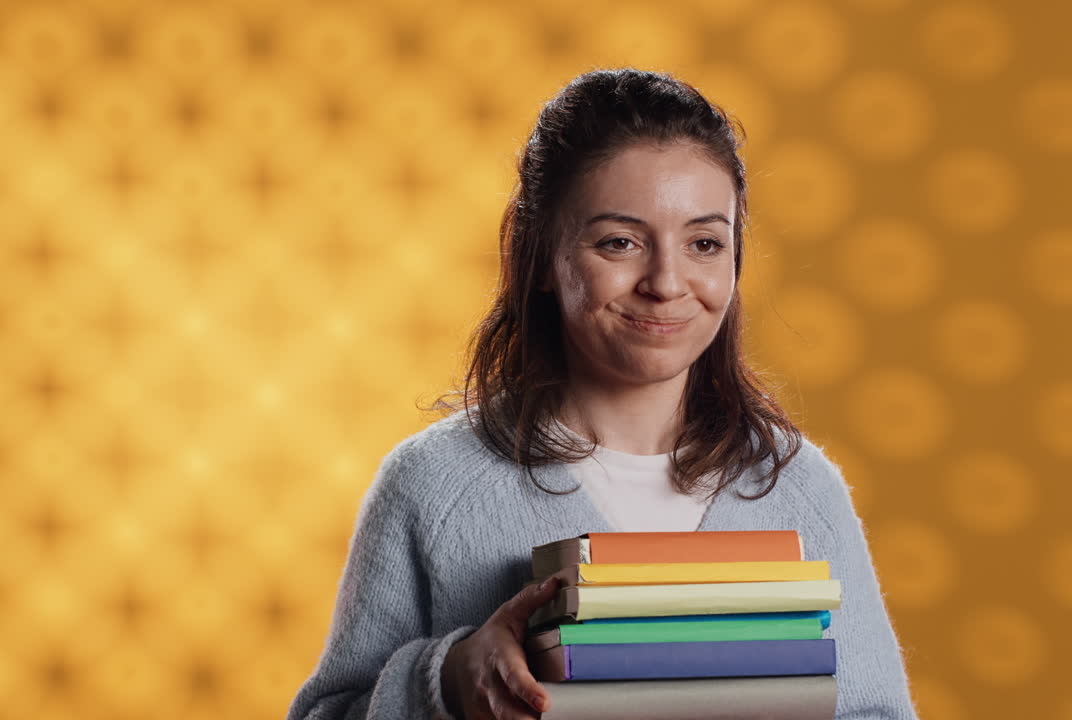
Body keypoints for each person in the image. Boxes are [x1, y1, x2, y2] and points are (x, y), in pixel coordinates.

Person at [288, 68, 918, 720]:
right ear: (539, 260)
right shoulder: (433, 487)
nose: (667, 282)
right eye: (620, 242)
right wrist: (447, 683)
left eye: (704, 243)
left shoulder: (801, 491)